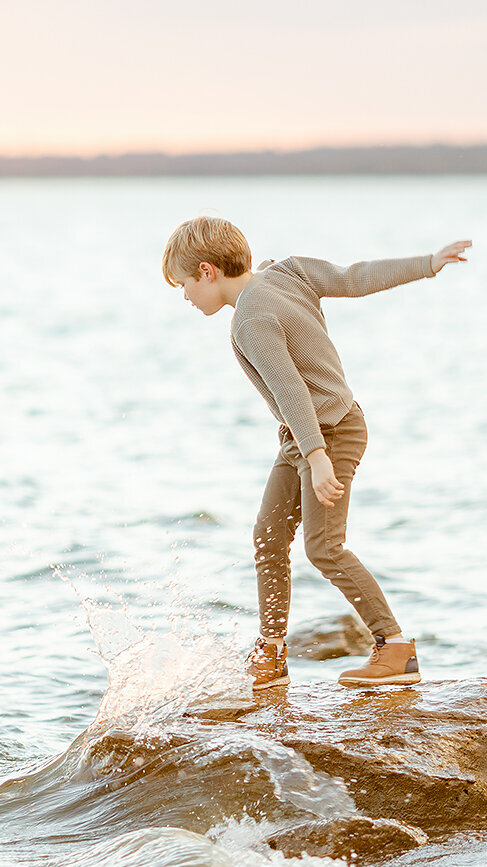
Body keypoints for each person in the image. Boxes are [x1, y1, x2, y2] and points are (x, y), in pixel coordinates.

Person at [162, 215, 471, 690]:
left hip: (328, 434)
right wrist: (427, 263)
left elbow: (292, 391)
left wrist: (318, 456)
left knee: (324, 547)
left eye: (183, 284)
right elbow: (356, 277)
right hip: (305, 437)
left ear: (207, 272)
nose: (184, 296)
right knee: (268, 536)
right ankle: (271, 653)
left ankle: (395, 649)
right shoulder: (286, 271)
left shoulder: (250, 318)